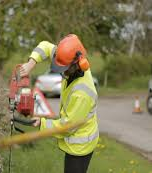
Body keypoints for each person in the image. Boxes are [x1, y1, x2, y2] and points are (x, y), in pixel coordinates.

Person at [20, 34, 99, 173]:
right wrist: (30, 64)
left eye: (64, 69)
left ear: (77, 64)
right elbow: (44, 46)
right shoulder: (66, 57)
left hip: (80, 145)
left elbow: (68, 126)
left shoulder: (82, 93)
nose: (62, 72)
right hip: (74, 138)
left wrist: (42, 123)